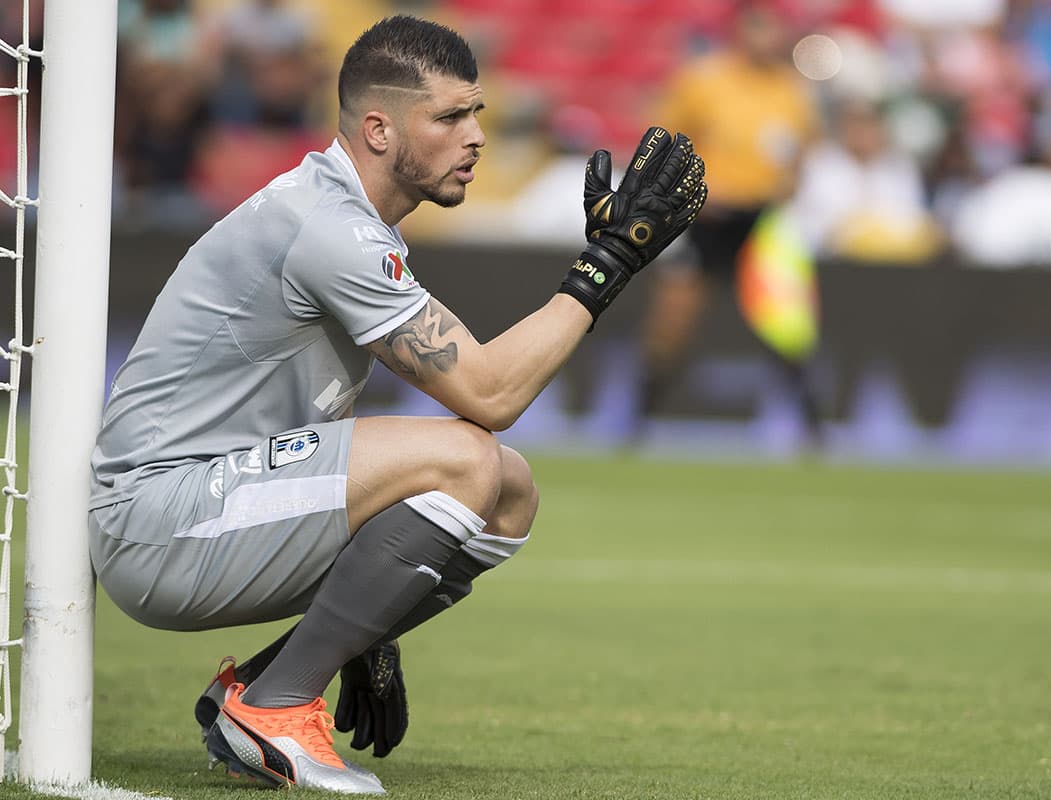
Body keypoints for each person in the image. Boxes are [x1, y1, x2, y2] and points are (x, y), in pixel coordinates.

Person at [88, 15, 706, 795]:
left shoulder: (342, 217)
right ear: (378, 129)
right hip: (159, 524)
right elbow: (489, 393)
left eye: (477, 112)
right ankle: (276, 705)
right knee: (467, 460)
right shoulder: (330, 231)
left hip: (213, 503)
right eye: (450, 117)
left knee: (509, 492)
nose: (476, 135)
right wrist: (610, 261)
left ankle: (251, 692)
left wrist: (367, 630)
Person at [635, 0, 823, 447]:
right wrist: (692, 191)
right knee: (673, 321)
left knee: (785, 324)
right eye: (759, 27)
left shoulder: (792, 91)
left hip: (764, 222)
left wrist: (788, 185)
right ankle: (636, 421)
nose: (768, 38)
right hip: (706, 217)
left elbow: (801, 155)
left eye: (775, 28)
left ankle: (814, 430)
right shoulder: (704, 81)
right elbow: (663, 144)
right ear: (740, 30)